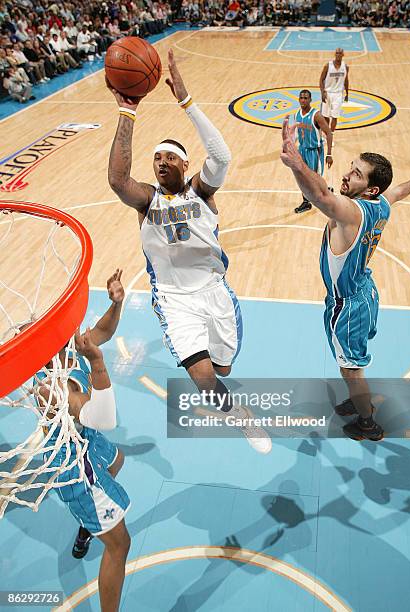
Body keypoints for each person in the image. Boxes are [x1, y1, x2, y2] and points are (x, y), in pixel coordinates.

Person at [107, 49, 271, 454]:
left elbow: (222, 156)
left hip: (215, 293)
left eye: (168, 157)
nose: (160, 162)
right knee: (203, 380)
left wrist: (186, 101)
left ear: (184, 164)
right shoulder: (147, 200)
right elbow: (116, 179)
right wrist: (128, 112)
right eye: (156, 158)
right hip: (174, 300)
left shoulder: (202, 191)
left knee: (223, 368)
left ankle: (221, 391)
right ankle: (238, 415)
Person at [280, 117, 410, 441]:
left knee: (351, 369)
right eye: (351, 167)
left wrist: (296, 162)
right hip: (363, 291)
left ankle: (368, 421)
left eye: (356, 174)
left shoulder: (351, 213)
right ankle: (358, 397)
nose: (346, 174)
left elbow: (321, 197)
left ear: (370, 188)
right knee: (351, 364)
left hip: (349, 306)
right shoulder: (381, 203)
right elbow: (401, 189)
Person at [34, 270, 130, 612]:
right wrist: (98, 362)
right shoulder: (54, 389)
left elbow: (101, 332)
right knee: (120, 545)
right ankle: (91, 526)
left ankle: (88, 528)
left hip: (86, 441)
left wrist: (116, 305)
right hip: (75, 467)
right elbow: (104, 417)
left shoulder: (64, 351)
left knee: (117, 460)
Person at [292, 89, 333, 214]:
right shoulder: (297, 114)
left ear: (310, 100)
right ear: (299, 99)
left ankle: (327, 191)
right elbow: (296, 134)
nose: (303, 100)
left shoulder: (316, 115)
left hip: (314, 152)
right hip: (302, 150)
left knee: (314, 179)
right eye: (301, 98)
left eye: (306, 98)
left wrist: (329, 154)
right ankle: (306, 202)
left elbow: (329, 133)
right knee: (302, 177)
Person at [319, 48, 349, 134]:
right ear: (334, 54)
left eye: (340, 53)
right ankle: (326, 134)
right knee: (326, 116)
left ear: (343, 55)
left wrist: (347, 93)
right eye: (337, 53)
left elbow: (346, 80)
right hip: (328, 93)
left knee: (335, 116)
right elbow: (321, 80)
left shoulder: (345, 67)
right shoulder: (328, 66)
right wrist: (322, 92)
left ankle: (331, 134)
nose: (338, 55)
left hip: (338, 94)